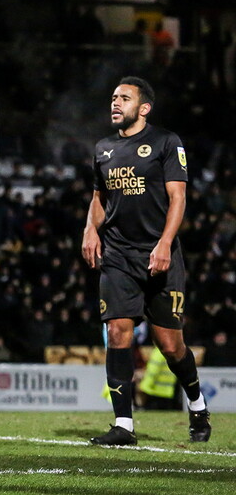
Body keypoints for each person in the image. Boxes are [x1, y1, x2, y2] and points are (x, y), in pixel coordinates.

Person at [81, 76, 211, 445]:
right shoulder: (103, 148)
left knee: (170, 345)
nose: (115, 103)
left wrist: (165, 243)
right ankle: (124, 425)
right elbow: (99, 198)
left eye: (124, 98)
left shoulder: (166, 142)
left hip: (159, 254)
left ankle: (197, 404)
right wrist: (90, 230)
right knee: (117, 331)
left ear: (144, 108)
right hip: (118, 254)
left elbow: (178, 198)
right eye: (113, 97)